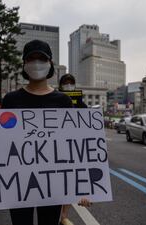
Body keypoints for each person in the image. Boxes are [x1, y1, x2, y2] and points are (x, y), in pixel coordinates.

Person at [0, 39, 92, 225]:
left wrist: (82, 186)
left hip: (53, 182)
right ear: (24, 65)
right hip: (18, 183)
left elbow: (72, 148)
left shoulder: (63, 101)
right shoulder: (11, 99)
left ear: (50, 64)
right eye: (31, 59)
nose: (36, 63)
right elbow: (1, 140)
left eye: (41, 59)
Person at [58, 73, 87, 225]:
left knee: (69, 179)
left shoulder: (81, 105)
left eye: (71, 83)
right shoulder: (54, 100)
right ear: (61, 85)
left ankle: (64, 215)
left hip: (73, 147)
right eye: (65, 83)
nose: (68, 86)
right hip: (55, 147)